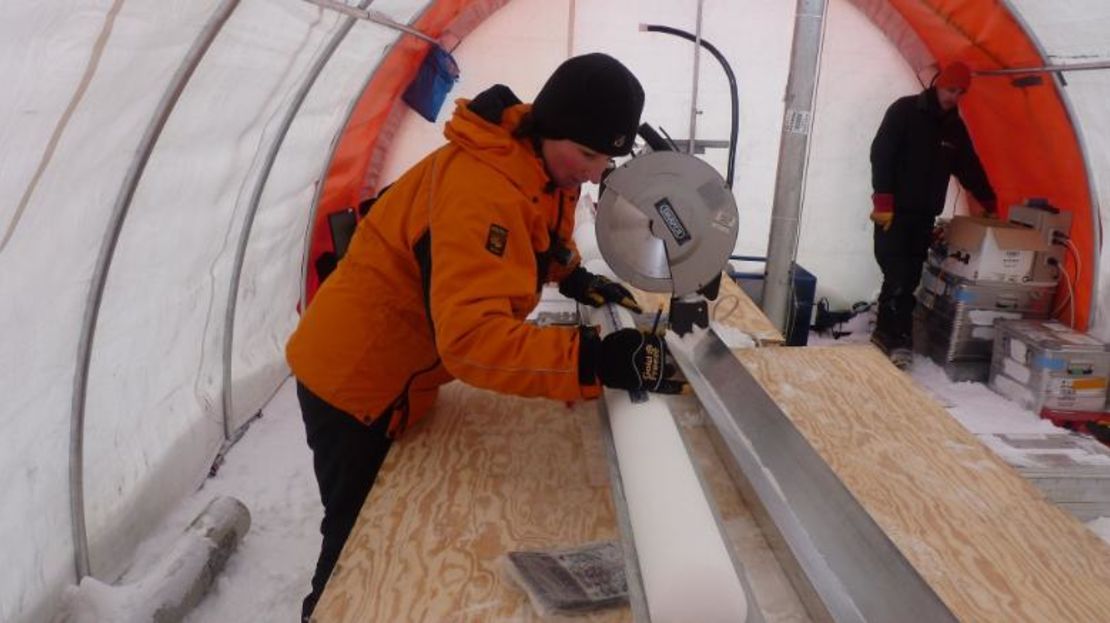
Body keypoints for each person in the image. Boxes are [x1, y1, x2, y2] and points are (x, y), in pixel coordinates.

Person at [286, 53, 685, 620]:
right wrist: (593, 360)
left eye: (609, 159)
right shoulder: (480, 187)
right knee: (355, 555)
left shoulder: (538, 165)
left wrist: (574, 277)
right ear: (552, 126)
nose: (597, 172)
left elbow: (536, 234)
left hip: (398, 373)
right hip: (353, 382)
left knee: (379, 540)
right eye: (591, 154)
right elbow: (472, 341)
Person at [868, 61, 997, 368]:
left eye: (960, 92)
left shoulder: (954, 128)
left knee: (909, 277)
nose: (955, 96)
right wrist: (883, 200)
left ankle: (886, 333)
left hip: (924, 216)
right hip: (894, 213)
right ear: (939, 84)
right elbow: (881, 153)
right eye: (952, 89)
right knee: (897, 274)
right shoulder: (904, 111)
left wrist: (988, 199)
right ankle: (897, 338)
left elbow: (968, 166)